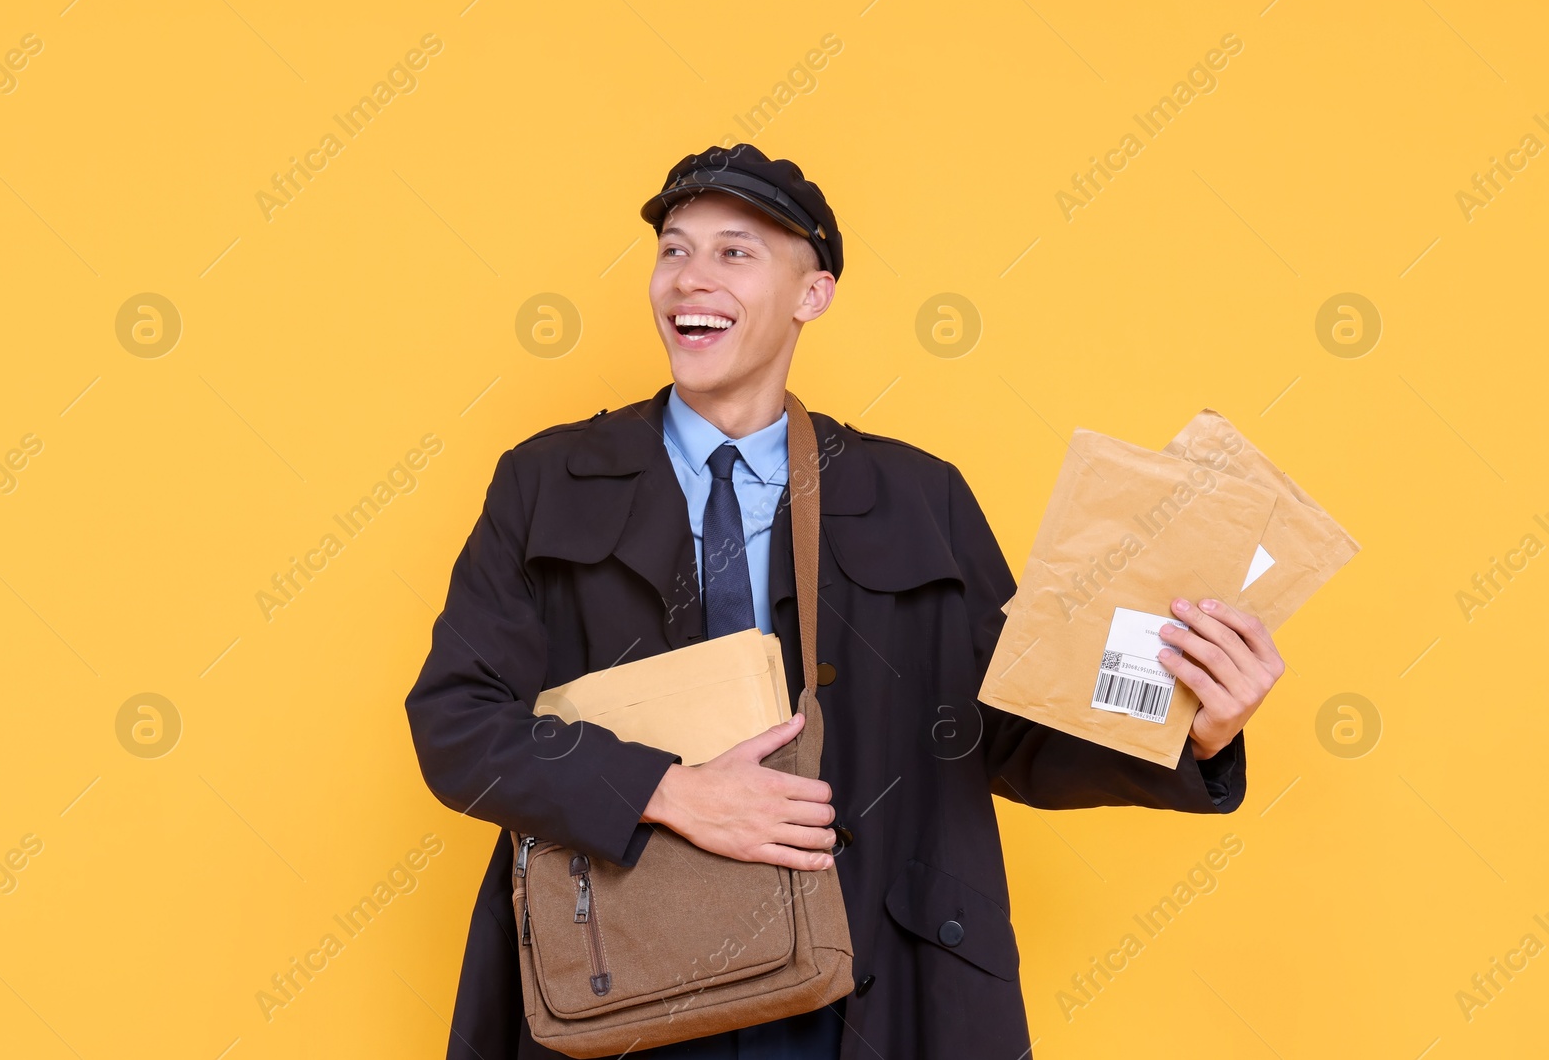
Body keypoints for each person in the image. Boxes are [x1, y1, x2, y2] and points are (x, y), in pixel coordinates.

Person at [403, 144, 1284, 1059]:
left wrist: (1197, 730)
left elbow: (1013, 730)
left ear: (811, 293)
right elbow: (458, 723)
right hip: (629, 981)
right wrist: (664, 793)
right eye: (673, 250)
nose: (689, 279)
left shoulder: (918, 494)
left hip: (865, 989)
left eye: (734, 252)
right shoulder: (547, 480)